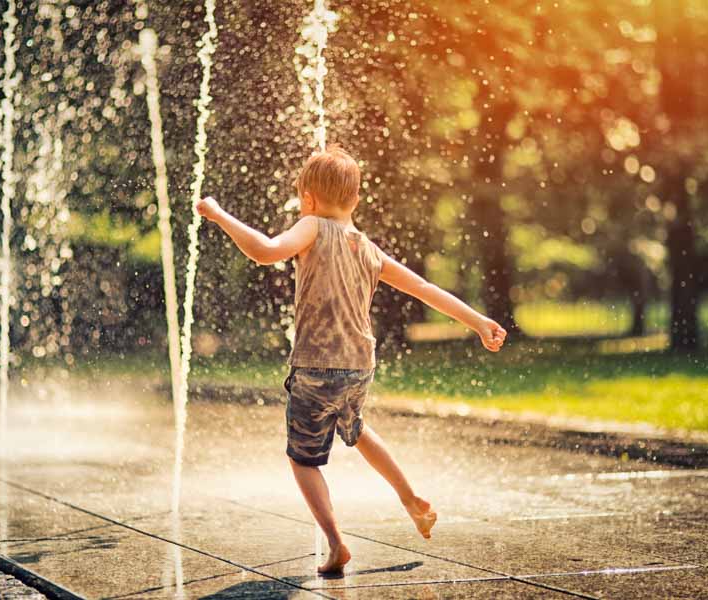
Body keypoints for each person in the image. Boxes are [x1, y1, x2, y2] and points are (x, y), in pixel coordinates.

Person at [195, 145, 507, 574]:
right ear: (356, 200)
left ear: (306, 198)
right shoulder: (368, 247)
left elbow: (266, 251)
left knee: (303, 458)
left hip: (315, 366)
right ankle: (410, 497)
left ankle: (337, 542)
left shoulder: (311, 226)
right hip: (360, 365)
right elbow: (423, 289)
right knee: (356, 428)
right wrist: (477, 321)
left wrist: (218, 214)